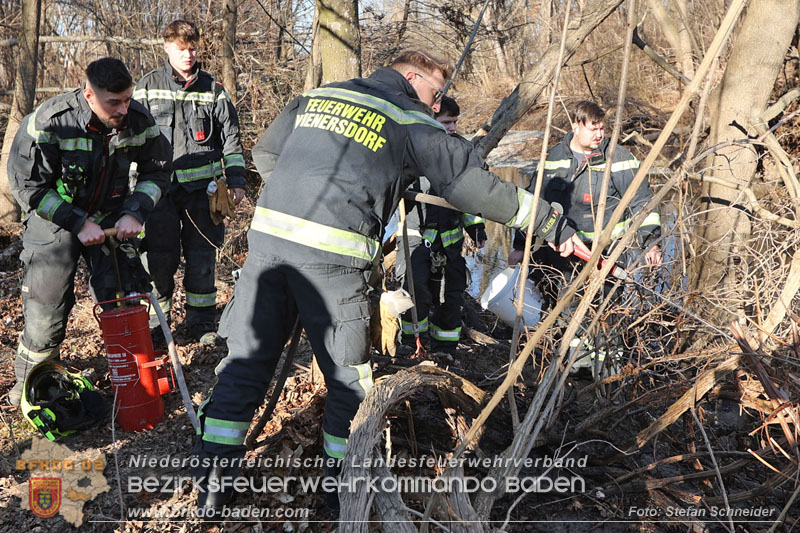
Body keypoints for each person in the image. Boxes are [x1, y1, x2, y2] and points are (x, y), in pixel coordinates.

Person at [194, 50, 590, 513]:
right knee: (348, 380)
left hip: (267, 248)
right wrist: (551, 225)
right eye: (435, 92)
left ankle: (213, 489)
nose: (438, 105)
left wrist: (310, 199)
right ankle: (338, 495)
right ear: (410, 76)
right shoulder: (407, 119)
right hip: (335, 264)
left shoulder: (320, 95)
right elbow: (467, 184)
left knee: (246, 363)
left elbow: (265, 153)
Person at [6, 58, 172, 406]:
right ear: (89, 95)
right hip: (53, 220)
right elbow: (28, 187)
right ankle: (31, 393)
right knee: (45, 311)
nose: (123, 109)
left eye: (127, 99)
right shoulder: (51, 121)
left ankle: (132, 390)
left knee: (123, 300)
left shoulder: (139, 120)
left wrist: (135, 212)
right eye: (114, 102)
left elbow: (158, 173)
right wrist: (78, 223)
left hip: (113, 217)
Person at [509, 100, 662, 372]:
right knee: (566, 311)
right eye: (593, 129)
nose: (599, 135)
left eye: (602, 129)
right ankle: (575, 370)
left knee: (606, 312)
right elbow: (532, 206)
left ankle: (606, 372)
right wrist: (521, 245)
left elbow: (643, 204)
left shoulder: (619, 159)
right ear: (575, 126)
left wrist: (650, 243)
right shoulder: (552, 157)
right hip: (562, 256)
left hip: (607, 255)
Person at [133, 20, 246, 342]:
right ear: (167, 47)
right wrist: (131, 193)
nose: (188, 55)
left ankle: (200, 324)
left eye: (193, 48)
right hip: (158, 193)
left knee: (202, 258)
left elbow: (232, 140)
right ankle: (157, 327)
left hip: (203, 194)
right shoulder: (146, 87)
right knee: (158, 258)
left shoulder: (213, 89)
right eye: (182, 49)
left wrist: (236, 181)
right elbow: (130, 140)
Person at [398, 96, 487, 352]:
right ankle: (411, 342)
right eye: (447, 122)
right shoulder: (411, 151)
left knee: (452, 295)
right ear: (430, 120)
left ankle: (445, 348)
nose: (452, 128)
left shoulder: (462, 151)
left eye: (455, 122)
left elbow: (473, 195)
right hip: (416, 236)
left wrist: (476, 227)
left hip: (451, 239)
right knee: (416, 292)